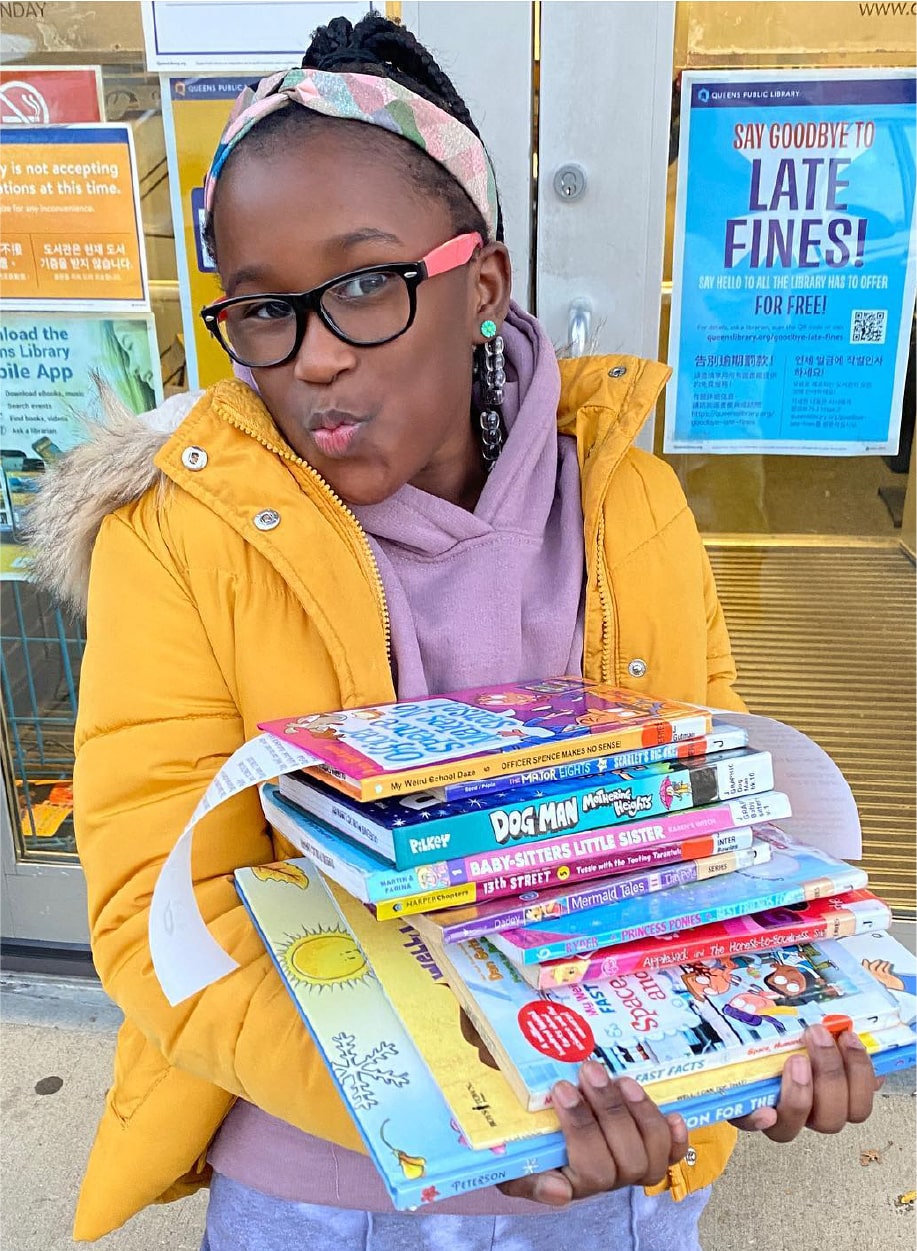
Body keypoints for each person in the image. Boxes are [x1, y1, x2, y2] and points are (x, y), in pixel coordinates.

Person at [30, 13, 880, 1251]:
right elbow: (162, 918)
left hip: (624, 1167)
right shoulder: (182, 538)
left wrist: (758, 1036)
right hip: (330, 1183)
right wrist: (478, 1113)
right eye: (262, 312)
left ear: (479, 285)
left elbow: (722, 829)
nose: (313, 358)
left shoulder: (623, 501)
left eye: (365, 285)